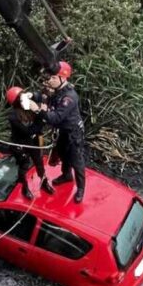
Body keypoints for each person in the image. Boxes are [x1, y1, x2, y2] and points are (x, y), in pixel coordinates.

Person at [31, 61, 86, 203]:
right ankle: (66, 175)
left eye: (54, 78)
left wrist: (37, 109)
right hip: (62, 130)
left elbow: (55, 118)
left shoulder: (69, 97)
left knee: (76, 161)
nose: (51, 80)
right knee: (62, 153)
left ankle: (80, 189)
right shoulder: (58, 91)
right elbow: (49, 100)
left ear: (63, 78)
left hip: (73, 132)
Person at [6, 86, 54, 200]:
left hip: (33, 141)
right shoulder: (13, 116)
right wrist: (41, 119)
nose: (24, 99)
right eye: (21, 98)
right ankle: (24, 188)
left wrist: (32, 96)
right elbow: (28, 131)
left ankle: (44, 182)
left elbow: (40, 96)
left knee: (39, 162)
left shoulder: (28, 105)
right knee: (24, 166)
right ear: (16, 102)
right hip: (21, 143)